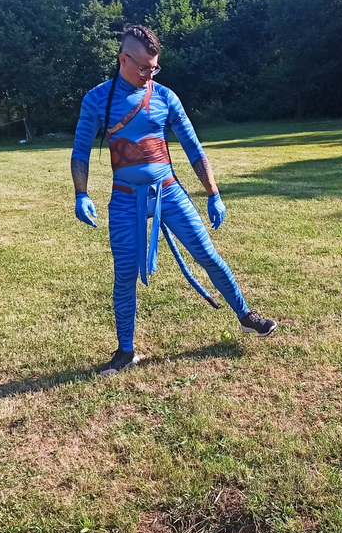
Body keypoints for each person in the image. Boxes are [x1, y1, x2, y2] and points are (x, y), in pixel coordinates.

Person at [71, 24, 276, 376]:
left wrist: (213, 193)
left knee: (207, 255)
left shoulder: (166, 97)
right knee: (125, 275)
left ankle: (246, 316)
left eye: (154, 68)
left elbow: (194, 148)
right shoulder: (96, 99)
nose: (149, 75)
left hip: (170, 193)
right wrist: (81, 193)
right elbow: (80, 152)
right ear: (123, 59)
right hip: (124, 200)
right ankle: (125, 351)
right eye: (143, 68)